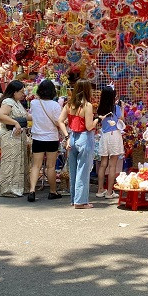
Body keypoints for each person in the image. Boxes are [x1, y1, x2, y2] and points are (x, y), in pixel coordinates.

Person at [27, 79, 66, 202]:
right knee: (51, 166)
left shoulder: (34, 103)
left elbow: (32, 116)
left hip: (37, 137)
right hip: (51, 138)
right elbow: (57, 122)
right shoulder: (56, 106)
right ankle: (52, 191)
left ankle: (32, 190)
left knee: (35, 166)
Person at [60, 80, 97, 209]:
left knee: (73, 170)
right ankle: (81, 202)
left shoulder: (69, 105)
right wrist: (97, 120)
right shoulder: (87, 106)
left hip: (72, 137)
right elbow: (88, 126)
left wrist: (66, 136)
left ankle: (74, 199)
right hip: (84, 138)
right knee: (83, 171)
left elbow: (60, 121)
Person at [0, 80, 30, 198]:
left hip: (18, 137)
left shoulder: (17, 102)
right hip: (10, 136)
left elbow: (26, 116)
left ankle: (19, 186)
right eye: (21, 92)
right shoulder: (8, 101)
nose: (23, 94)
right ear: (14, 92)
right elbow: (1, 116)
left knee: (19, 162)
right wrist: (15, 123)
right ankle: (9, 188)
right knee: (11, 162)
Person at [95, 86, 125, 199]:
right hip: (115, 136)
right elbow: (121, 119)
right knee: (112, 165)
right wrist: (122, 108)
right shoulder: (115, 107)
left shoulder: (100, 108)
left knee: (103, 164)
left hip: (104, 136)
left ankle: (100, 190)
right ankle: (109, 192)